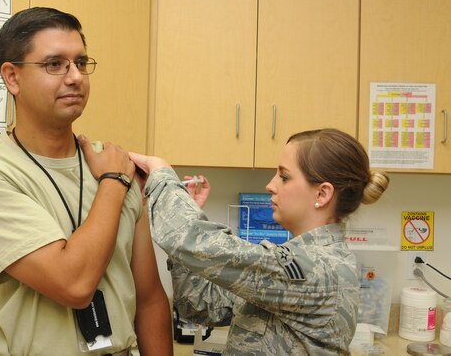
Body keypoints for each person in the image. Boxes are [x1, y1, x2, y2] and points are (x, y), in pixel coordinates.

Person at [0, 7, 172, 355]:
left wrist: (116, 176)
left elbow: (150, 299)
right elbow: (74, 284)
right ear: (12, 77)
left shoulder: (116, 163)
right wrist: (112, 183)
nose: (75, 77)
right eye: (55, 64)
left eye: (81, 63)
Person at [130, 128, 390, 355]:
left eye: (284, 177)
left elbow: (187, 239)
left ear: (322, 193)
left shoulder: (318, 268)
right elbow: (203, 306)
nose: (270, 185)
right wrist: (187, 212)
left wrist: (161, 173)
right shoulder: (297, 264)